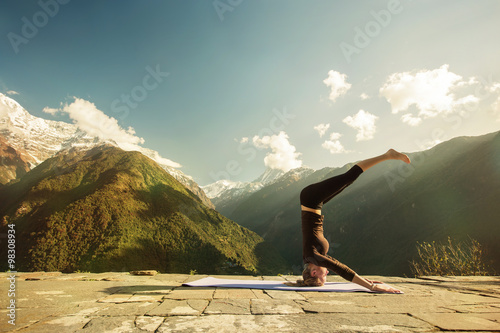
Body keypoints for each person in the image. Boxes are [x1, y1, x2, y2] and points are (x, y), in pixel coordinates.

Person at [297, 149, 410, 293]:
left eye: (324, 276)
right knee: (348, 180)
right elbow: (340, 268)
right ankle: (387, 155)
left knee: (350, 176)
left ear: (314, 273)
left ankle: (388, 155)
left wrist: (372, 287)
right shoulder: (312, 257)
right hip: (313, 203)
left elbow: (341, 269)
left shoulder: (313, 256)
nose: (327, 273)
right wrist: (366, 281)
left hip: (311, 198)